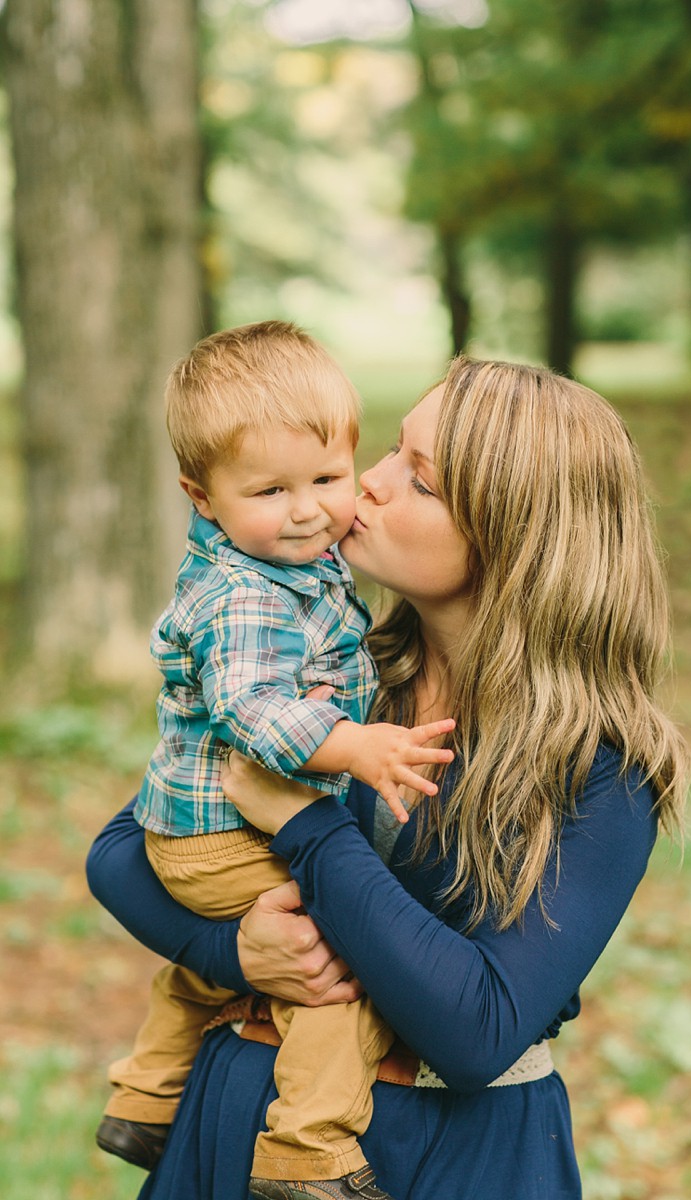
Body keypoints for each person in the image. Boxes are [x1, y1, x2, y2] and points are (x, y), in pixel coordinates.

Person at [87, 356, 691, 1200]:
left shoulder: (602, 768)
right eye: (389, 452)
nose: (366, 484)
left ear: (514, 535)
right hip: (234, 1125)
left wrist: (306, 827)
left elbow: (478, 1028)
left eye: (420, 480)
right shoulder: (340, 674)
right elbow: (122, 851)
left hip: (446, 1157)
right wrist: (236, 952)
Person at [95, 320, 454, 1200]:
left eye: (327, 479)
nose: (308, 510)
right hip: (222, 837)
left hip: (190, 831)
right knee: (342, 974)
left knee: (249, 954)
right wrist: (355, 747)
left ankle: (145, 1091)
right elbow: (255, 710)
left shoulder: (283, 561)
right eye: (270, 490)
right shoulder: (247, 595)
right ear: (201, 495)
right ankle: (307, 1148)